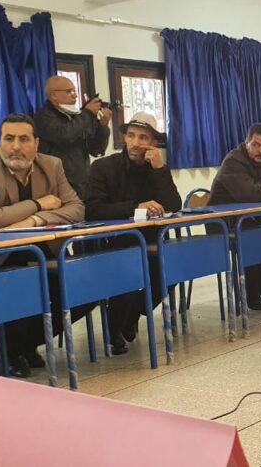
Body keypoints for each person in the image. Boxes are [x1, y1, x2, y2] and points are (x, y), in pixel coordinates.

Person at [0, 113, 85, 376]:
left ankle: (28, 343)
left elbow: (76, 208)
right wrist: (39, 204)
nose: (16, 146)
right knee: (21, 275)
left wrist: (34, 219)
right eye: (9, 139)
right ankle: (12, 352)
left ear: (36, 143)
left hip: (42, 251)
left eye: (24, 139)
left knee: (84, 285)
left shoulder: (52, 165)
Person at [82, 112, 181, 353]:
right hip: (114, 241)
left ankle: (131, 317)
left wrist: (160, 169)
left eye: (143, 137)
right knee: (127, 269)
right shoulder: (103, 167)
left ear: (153, 142)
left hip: (150, 239)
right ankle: (115, 327)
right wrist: (136, 207)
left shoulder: (155, 168)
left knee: (168, 271)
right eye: (131, 135)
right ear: (124, 138)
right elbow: (92, 209)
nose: (136, 143)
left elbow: (173, 205)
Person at [208, 123, 261, 310]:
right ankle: (252, 292)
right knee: (256, 240)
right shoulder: (233, 161)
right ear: (246, 143)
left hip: (254, 221)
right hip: (225, 224)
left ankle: (259, 287)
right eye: (255, 145)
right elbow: (250, 194)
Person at [34, 76, 112, 195]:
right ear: (54, 95)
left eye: (74, 91)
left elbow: (96, 150)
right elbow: (65, 135)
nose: (75, 95)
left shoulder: (77, 117)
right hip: (55, 185)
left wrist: (103, 127)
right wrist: (87, 113)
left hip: (81, 184)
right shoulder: (43, 116)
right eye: (69, 91)